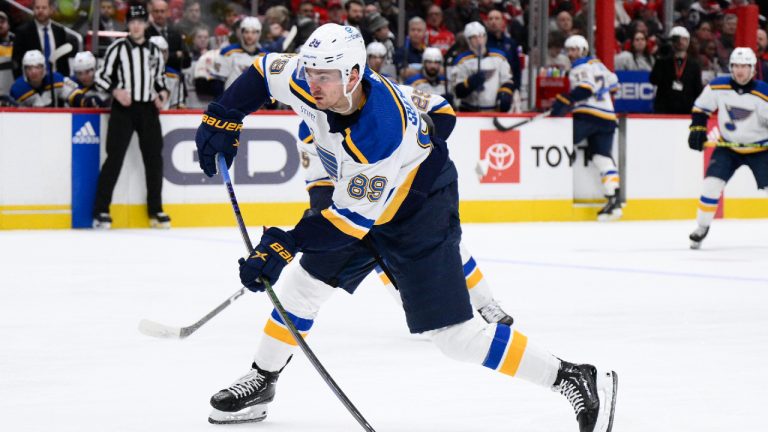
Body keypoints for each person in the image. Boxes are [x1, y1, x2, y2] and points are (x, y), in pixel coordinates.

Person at [194, 23, 617, 430]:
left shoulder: (379, 130)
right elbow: (262, 72)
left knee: (455, 337)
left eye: (325, 76)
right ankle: (263, 379)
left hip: (419, 210)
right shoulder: (311, 81)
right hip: (361, 196)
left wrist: (285, 244)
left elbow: (346, 224)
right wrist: (222, 116)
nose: (313, 83)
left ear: (354, 74)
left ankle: (572, 376)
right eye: (310, 72)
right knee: (301, 290)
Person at [297, 85, 512, 324]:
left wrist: (419, 158)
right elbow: (319, 182)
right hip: (368, 205)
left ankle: (486, 304)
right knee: (384, 258)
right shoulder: (309, 132)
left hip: (412, 192)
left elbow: (442, 111)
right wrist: (321, 212)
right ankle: (422, 311)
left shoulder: (384, 93)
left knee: (448, 246)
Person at [92, 3, 171, 229]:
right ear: (127, 24)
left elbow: (160, 79)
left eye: (140, 22)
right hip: (123, 110)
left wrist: (162, 92)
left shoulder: (154, 50)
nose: (136, 26)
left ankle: (155, 209)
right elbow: (101, 77)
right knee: (114, 158)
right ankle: (100, 210)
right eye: (132, 22)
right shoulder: (117, 48)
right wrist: (116, 91)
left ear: (146, 24)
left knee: (154, 159)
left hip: (148, 109)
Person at [687, 47, 768, 249]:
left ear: (753, 69)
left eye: (745, 66)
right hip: (728, 147)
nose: (740, 71)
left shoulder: (763, 93)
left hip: (760, 150)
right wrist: (697, 127)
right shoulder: (718, 87)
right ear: (731, 67)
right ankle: (702, 227)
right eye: (736, 66)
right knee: (711, 185)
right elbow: (700, 108)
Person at [551, 35, 622, 221]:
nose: (571, 54)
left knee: (560, 140)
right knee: (602, 157)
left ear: (583, 50)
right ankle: (613, 199)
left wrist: (565, 100)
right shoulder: (599, 65)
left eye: (575, 49)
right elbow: (615, 84)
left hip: (589, 116)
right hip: (608, 116)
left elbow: (585, 88)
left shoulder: (578, 68)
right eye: (570, 50)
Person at [452, 22, 514, 112]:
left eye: (481, 36)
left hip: (494, 111)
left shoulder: (499, 57)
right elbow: (456, 91)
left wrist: (505, 93)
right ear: (468, 40)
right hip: (469, 111)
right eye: (474, 37)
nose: (479, 40)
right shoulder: (462, 60)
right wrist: (469, 83)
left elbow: (507, 79)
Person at [11, 0, 73, 78]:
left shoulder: (59, 31)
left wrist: (65, 78)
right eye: (37, 8)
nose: (40, 11)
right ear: (33, 9)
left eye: (44, 8)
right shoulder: (23, 32)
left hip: (57, 80)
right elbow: (16, 61)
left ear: (51, 9)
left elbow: (63, 60)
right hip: (32, 82)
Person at [649, 26, 703, 114]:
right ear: (671, 41)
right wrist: (660, 57)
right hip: (664, 109)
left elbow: (697, 89)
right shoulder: (663, 61)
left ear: (688, 41)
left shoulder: (694, 65)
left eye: (684, 39)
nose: (680, 42)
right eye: (677, 39)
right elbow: (654, 80)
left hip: (686, 110)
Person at [210, 17, 266, 94]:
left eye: (253, 32)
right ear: (241, 33)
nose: (249, 36)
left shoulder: (266, 57)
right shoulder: (228, 52)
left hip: (256, 104)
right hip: (231, 103)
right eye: (246, 32)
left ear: (259, 34)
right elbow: (218, 82)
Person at [146, 0, 190, 72]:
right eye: (156, 11)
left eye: (162, 11)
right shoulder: (146, 33)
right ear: (151, 13)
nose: (159, 14)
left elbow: (187, 61)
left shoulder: (176, 32)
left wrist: (168, 57)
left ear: (168, 13)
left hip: (174, 78)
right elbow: (150, 59)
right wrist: (175, 55)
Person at [149, 36, 186, 108]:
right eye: (158, 51)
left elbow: (177, 105)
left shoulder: (175, 76)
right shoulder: (138, 75)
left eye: (165, 51)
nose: (162, 55)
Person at [0, 11, 15, 100]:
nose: (0, 25)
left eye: (2, 22)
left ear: (8, 25)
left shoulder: (18, 41)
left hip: (13, 87)